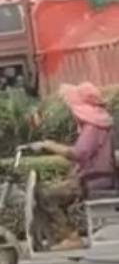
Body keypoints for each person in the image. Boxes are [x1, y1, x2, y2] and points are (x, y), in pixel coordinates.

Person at [34, 82, 117, 247]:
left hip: (94, 180)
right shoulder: (99, 125)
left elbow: (77, 153)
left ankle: (70, 237)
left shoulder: (93, 127)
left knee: (46, 195)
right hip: (97, 177)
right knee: (49, 190)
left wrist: (49, 145)